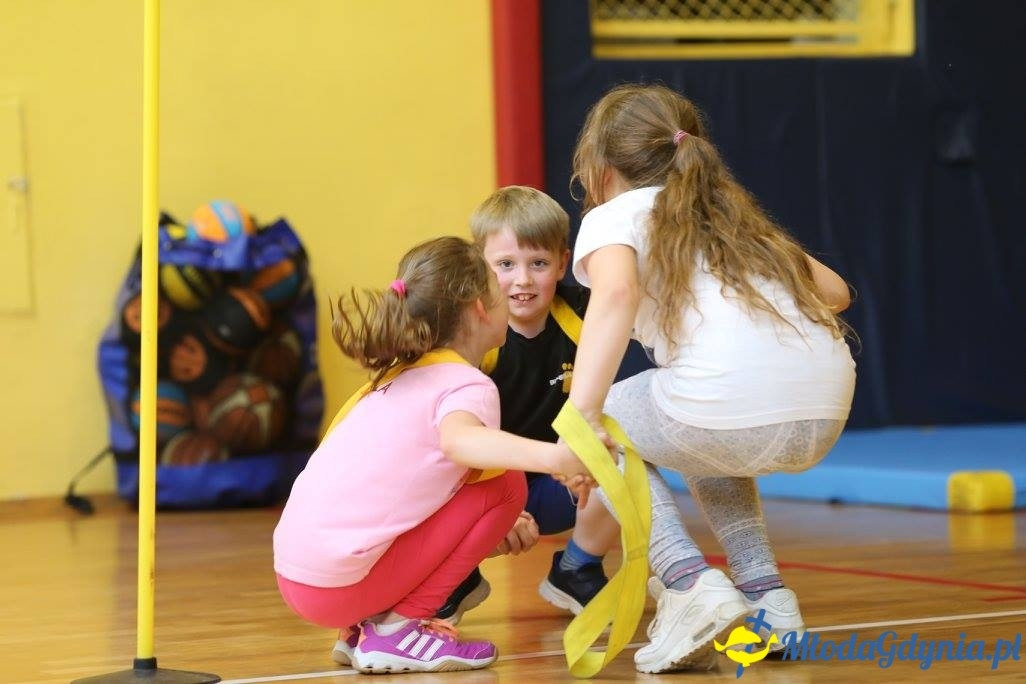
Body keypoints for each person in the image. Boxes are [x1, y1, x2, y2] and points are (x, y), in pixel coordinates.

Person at [565, 84, 856, 673]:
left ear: (600, 166)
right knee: (694, 424)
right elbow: (836, 293)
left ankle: (686, 584)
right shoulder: (730, 215)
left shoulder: (612, 215)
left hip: (728, 405)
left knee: (611, 417)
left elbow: (616, 292)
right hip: (825, 411)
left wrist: (583, 413)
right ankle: (767, 597)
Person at [272, 236, 599, 674]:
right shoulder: (466, 383)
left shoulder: (396, 375)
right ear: (481, 309)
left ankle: (363, 629)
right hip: (337, 587)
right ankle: (398, 631)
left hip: (299, 579)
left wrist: (488, 526)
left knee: (485, 488)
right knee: (506, 486)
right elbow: (459, 442)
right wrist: (558, 458)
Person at [435, 187, 623, 623]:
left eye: (538, 264)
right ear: (480, 267)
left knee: (625, 450)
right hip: (483, 487)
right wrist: (498, 508)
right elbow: (453, 445)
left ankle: (578, 569)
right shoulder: (472, 335)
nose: (522, 280)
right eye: (505, 265)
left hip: (560, 481)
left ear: (562, 262)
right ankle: (454, 577)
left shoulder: (586, 312)